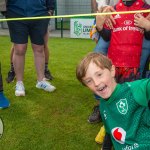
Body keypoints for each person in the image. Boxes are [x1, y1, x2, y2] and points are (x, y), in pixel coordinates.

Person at [76, 52, 150, 149]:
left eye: (99, 74)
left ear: (112, 71)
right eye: (89, 81)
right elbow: (110, 132)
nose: (96, 83)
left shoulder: (134, 90)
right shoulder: (102, 105)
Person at [6, 0, 56, 96]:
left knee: (39, 48)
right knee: (19, 49)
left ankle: (41, 81)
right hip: (16, 13)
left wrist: (50, 10)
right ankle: (19, 83)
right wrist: (5, 11)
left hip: (39, 13)